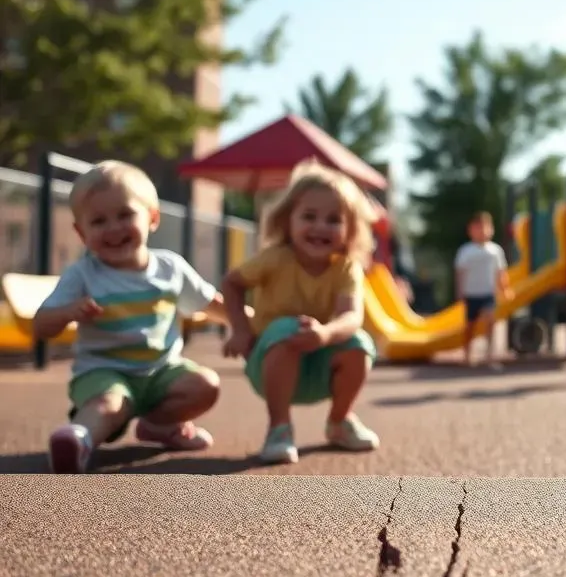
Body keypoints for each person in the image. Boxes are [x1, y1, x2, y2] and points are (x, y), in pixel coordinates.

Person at [34, 161, 227, 474]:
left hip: (161, 370)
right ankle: (78, 440)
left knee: (205, 385)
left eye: (125, 215)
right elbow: (42, 324)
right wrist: (69, 311)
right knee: (109, 406)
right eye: (98, 221)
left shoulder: (170, 268)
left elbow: (211, 304)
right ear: (81, 233)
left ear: (152, 217)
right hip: (103, 372)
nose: (113, 228)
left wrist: (250, 324)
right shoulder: (83, 275)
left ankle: (159, 426)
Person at [221, 161, 380, 465]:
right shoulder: (276, 259)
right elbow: (232, 283)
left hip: (318, 369)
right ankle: (279, 428)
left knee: (359, 344)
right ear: (287, 221)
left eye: (333, 219)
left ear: (350, 230)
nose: (320, 226)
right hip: (268, 364)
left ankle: (339, 421)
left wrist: (324, 334)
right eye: (309, 216)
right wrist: (241, 329)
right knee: (288, 327)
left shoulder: (345, 268)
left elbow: (351, 317)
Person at [454, 211, 511, 367]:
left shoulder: (495, 251)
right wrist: (459, 291)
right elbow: (460, 272)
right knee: (469, 326)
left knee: (490, 321)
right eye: (477, 228)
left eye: (485, 227)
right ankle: (467, 355)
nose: (482, 231)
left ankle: (489, 355)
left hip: (488, 293)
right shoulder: (466, 251)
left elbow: (501, 272)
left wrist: (505, 289)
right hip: (471, 293)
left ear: (491, 229)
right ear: (471, 230)